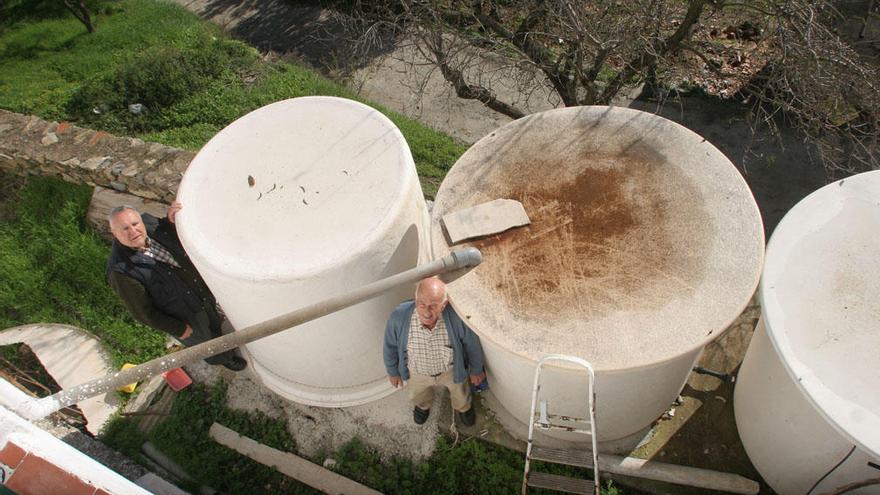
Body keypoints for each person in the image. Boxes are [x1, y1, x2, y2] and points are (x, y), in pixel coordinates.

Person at [106, 202, 246, 371]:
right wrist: (177, 328)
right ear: (114, 233)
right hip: (185, 316)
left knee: (214, 321)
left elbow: (168, 232)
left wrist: (171, 221)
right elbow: (143, 313)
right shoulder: (121, 271)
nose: (133, 231)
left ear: (140, 221)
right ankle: (224, 359)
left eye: (134, 224)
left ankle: (222, 337)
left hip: (198, 291)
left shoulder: (149, 222)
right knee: (205, 342)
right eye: (125, 229)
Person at [383, 277, 486, 426]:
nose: (426, 312)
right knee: (418, 395)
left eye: (433, 306)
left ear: (444, 305)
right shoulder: (399, 317)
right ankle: (423, 406)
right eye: (422, 304)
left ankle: (463, 408)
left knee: (461, 393)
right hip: (417, 373)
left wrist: (476, 370)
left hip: (451, 371)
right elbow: (389, 346)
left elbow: (472, 344)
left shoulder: (456, 318)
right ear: (416, 299)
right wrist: (393, 372)